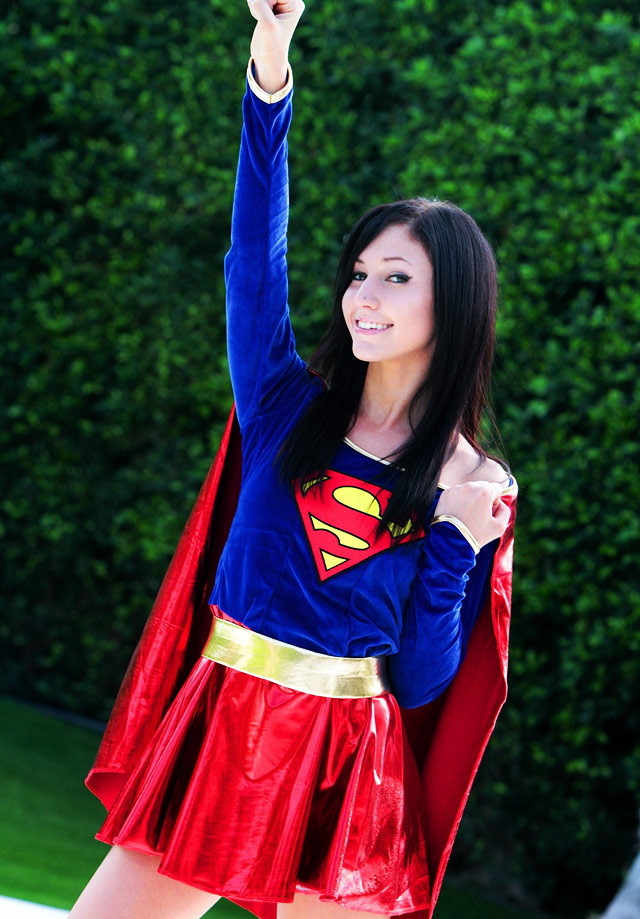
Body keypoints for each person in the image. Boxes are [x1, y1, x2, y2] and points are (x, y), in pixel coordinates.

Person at [70, 2, 517, 918]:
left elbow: (422, 681)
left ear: (456, 305)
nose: (364, 296)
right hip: (220, 724)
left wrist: (453, 545)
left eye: (397, 278)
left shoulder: (474, 486)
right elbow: (253, 261)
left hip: (347, 769)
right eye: (359, 273)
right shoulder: (284, 404)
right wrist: (269, 73)